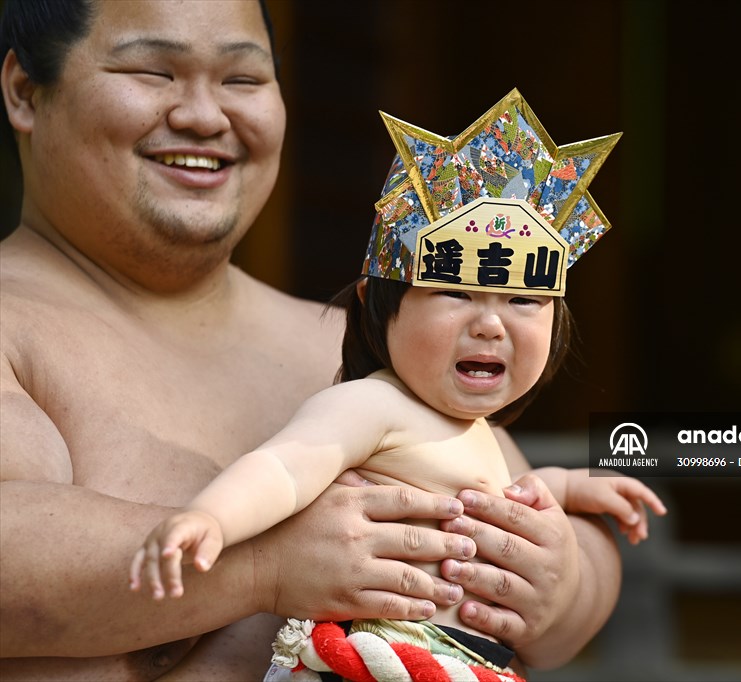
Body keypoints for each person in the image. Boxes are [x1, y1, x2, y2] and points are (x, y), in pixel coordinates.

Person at [0, 1, 625, 679]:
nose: (206, 117)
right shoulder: (16, 325)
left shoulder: (372, 347)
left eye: (243, 81)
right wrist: (266, 567)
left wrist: (558, 585)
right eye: (154, 72)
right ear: (25, 91)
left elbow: (516, 506)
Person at [129, 95, 666, 674]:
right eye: (456, 292)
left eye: (524, 300)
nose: (490, 324)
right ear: (378, 307)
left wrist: (568, 487)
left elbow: (504, 496)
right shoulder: (371, 405)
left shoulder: (473, 431)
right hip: (382, 658)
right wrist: (212, 519)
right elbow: (285, 466)